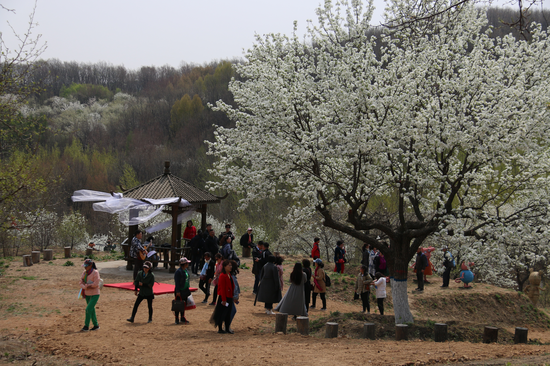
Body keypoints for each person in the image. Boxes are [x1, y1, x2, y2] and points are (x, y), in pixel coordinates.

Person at [79, 259, 101, 331]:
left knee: (88, 309)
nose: (85, 267)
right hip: (87, 293)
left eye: (86, 266)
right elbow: (80, 282)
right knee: (91, 309)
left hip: (95, 294)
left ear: (90, 265)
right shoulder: (84, 273)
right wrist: (86, 286)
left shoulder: (95, 272)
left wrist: (87, 285)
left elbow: (96, 283)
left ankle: (86, 326)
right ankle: (96, 325)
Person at [214, 260, 235, 333]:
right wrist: (223, 299)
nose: (230, 267)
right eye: (229, 265)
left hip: (229, 296)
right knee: (221, 313)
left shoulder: (228, 274)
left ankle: (227, 328)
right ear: (225, 267)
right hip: (224, 297)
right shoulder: (223, 276)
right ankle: (220, 328)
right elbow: (222, 288)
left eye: (231, 265)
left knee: (228, 313)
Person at [173, 258, 191, 324]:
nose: (188, 264)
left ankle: (182, 317)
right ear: (184, 264)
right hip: (180, 290)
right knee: (178, 304)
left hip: (185, 290)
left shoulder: (186, 270)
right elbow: (177, 282)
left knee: (183, 304)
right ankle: (177, 318)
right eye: (187, 263)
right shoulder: (178, 272)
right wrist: (177, 291)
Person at [229, 260, 241, 327]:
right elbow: (235, 288)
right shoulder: (232, 277)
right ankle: (227, 325)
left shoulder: (230, 275)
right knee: (232, 311)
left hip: (228, 296)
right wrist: (235, 297)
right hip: (230, 296)